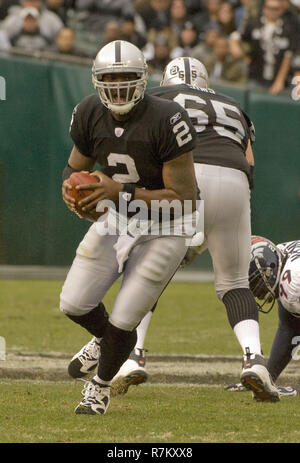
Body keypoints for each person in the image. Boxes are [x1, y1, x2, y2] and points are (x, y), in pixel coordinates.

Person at [71, 56, 282, 403]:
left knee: (144, 266)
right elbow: (249, 162)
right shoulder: (233, 105)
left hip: (184, 175)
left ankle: (134, 354)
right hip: (234, 178)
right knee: (233, 281)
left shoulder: (154, 100)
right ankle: (254, 359)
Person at [60, 40, 198, 415]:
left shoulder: (167, 117)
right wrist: (72, 193)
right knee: (73, 302)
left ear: (143, 79)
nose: (119, 86)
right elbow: (74, 168)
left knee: (124, 319)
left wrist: (119, 191)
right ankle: (108, 343)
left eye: (127, 78)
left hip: (167, 225)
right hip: (118, 219)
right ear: (96, 81)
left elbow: (185, 198)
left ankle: (100, 386)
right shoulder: (89, 112)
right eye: (110, 78)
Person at [225, 236, 300, 396]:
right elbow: (289, 328)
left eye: (255, 282)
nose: (254, 292)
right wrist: (267, 379)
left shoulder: (292, 285)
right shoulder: (283, 253)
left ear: (270, 267)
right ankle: (269, 377)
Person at [229, 0, 299, 94]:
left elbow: (289, 55)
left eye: (276, 9)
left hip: (280, 78)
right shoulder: (254, 24)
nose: (272, 12)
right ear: (264, 8)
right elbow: (238, 35)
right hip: (256, 76)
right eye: (269, 8)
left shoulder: (289, 28)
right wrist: (235, 46)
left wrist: (280, 80)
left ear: (281, 10)